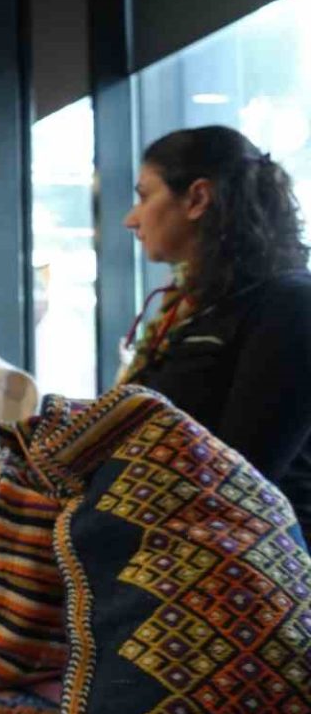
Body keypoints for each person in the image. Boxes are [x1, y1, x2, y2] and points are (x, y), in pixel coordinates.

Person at [121, 125, 311, 524]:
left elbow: (243, 474)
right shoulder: (193, 309)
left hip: (257, 557)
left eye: (144, 196)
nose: (131, 219)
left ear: (197, 199)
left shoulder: (290, 304)